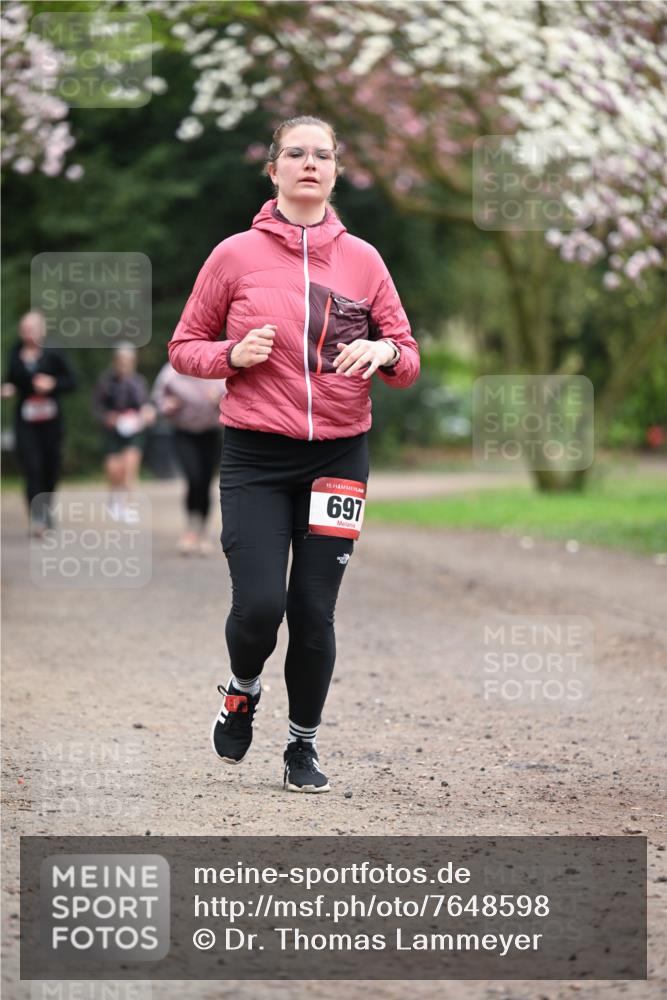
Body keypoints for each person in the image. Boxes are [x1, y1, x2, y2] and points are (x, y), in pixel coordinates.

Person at [168, 114, 420, 793]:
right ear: (273, 169)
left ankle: (301, 747)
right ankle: (241, 688)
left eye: (321, 154)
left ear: (336, 170)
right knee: (258, 609)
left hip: (338, 457)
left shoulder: (363, 259)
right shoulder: (234, 256)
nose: (308, 163)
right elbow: (183, 345)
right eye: (294, 153)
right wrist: (230, 355)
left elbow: (407, 355)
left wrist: (385, 349)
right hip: (255, 456)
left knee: (313, 613)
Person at [1, 311, 77, 535]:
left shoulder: (54, 353)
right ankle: (38, 518)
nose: (27, 334)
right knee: (32, 467)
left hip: (51, 422)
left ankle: (45, 509)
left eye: (31, 329)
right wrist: (8, 388)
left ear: (42, 330)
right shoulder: (14, 353)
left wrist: (52, 384)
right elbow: (11, 380)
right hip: (26, 421)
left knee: (50, 469)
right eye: (24, 329)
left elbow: (72, 382)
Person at [152, 362, 226, 555]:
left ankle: (202, 532)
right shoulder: (171, 371)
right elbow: (158, 399)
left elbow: (233, 396)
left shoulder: (215, 367)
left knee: (206, 481)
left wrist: (220, 400)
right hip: (184, 432)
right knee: (193, 477)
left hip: (210, 433)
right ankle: (190, 529)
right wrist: (169, 405)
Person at [92, 343, 155, 523]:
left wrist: (147, 413)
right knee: (114, 470)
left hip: (134, 431)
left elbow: (146, 405)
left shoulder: (139, 382)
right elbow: (97, 407)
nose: (125, 364)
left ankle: (128, 506)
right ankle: (114, 499)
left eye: (129, 361)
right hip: (113, 431)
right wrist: (107, 417)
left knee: (130, 468)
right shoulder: (105, 382)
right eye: (122, 361)